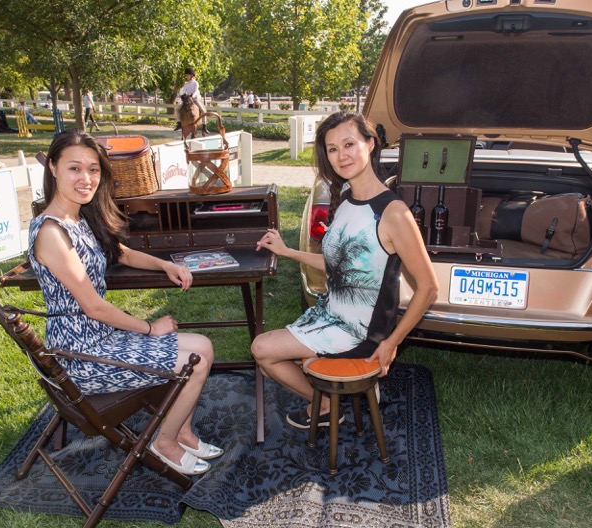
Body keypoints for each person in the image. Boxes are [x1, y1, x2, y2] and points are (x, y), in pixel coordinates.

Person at [29, 129, 221, 475]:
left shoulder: (79, 217)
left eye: (93, 170)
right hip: (81, 356)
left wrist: (164, 264)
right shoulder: (51, 232)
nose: (86, 178)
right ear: (54, 168)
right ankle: (163, 443)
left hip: (100, 339)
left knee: (204, 346)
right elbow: (94, 307)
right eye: (75, 168)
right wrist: (151, 328)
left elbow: (120, 252)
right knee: (194, 361)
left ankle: (184, 433)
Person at [251, 111, 438, 429]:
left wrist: (390, 343)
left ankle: (323, 405)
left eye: (349, 144)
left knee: (262, 350)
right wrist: (286, 252)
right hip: (331, 313)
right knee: (279, 357)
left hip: (359, 331)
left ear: (370, 144)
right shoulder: (348, 199)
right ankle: (334, 396)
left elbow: (429, 288)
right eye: (332, 148)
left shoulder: (393, 214)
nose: (341, 155)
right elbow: (340, 267)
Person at [175, 67, 209, 134]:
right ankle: (179, 123)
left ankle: (204, 126)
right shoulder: (186, 84)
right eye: (186, 75)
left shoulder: (196, 83)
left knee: (203, 110)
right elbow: (184, 91)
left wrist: (192, 96)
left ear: (191, 75)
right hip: (187, 99)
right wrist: (182, 95)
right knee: (177, 109)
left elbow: (196, 91)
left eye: (187, 75)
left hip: (195, 99)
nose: (186, 76)